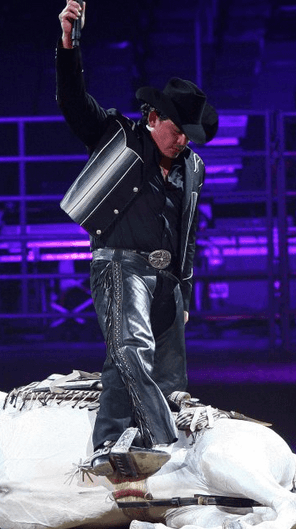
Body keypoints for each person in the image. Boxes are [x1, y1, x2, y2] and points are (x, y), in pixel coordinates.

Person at [56, 0, 218, 478]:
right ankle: (164, 445)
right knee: (131, 349)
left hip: (166, 277)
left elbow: (188, 232)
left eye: (189, 134)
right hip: (119, 264)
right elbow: (72, 101)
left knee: (165, 370)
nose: (183, 140)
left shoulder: (192, 167)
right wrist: (70, 42)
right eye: (177, 130)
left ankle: (113, 444)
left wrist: (182, 287)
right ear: (154, 117)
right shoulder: (118, 135)